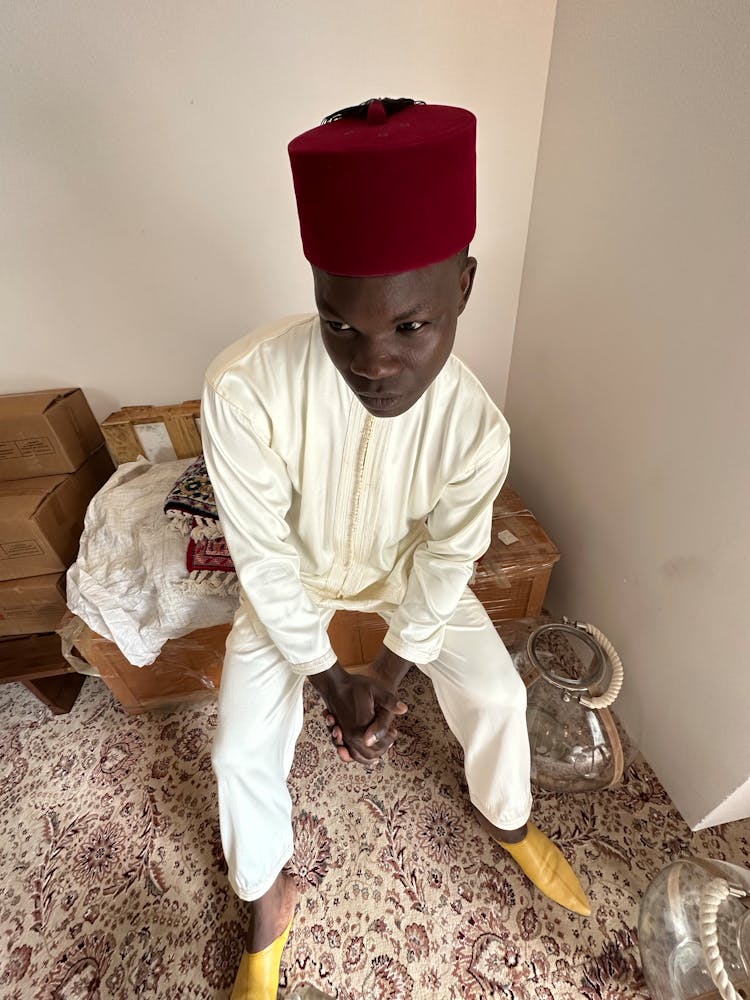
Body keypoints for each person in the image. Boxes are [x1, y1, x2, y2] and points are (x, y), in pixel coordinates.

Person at [201, 98, 590, 1000]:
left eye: (409, 327)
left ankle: (510, 820)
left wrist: (392, 672)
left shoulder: (477, 431)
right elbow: (260, 554)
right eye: (342, 326)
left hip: (407, 576)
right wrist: (328, 675)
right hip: (291, 581)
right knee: (234, 755)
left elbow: (449, 560)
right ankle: (266, 901)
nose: (373, 363)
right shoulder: (244, 388)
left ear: (464, 286)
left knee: (495, 690)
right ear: (317, 296)